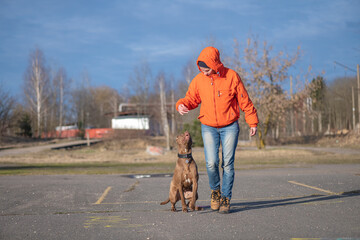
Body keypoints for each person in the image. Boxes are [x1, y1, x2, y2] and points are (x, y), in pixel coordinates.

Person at [176, 46, 259, 214]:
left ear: (215, 64)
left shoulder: (231, 76)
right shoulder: (199, 80)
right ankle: (215, 192)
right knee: (211, 163)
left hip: (230, 126)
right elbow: (191, 98)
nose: (205, 73)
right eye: (202, 70)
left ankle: (226, 198)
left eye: (207, 70)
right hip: (208, 127)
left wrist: (252, 121)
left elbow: (244, 100)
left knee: (227, 164)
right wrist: (181, 105)